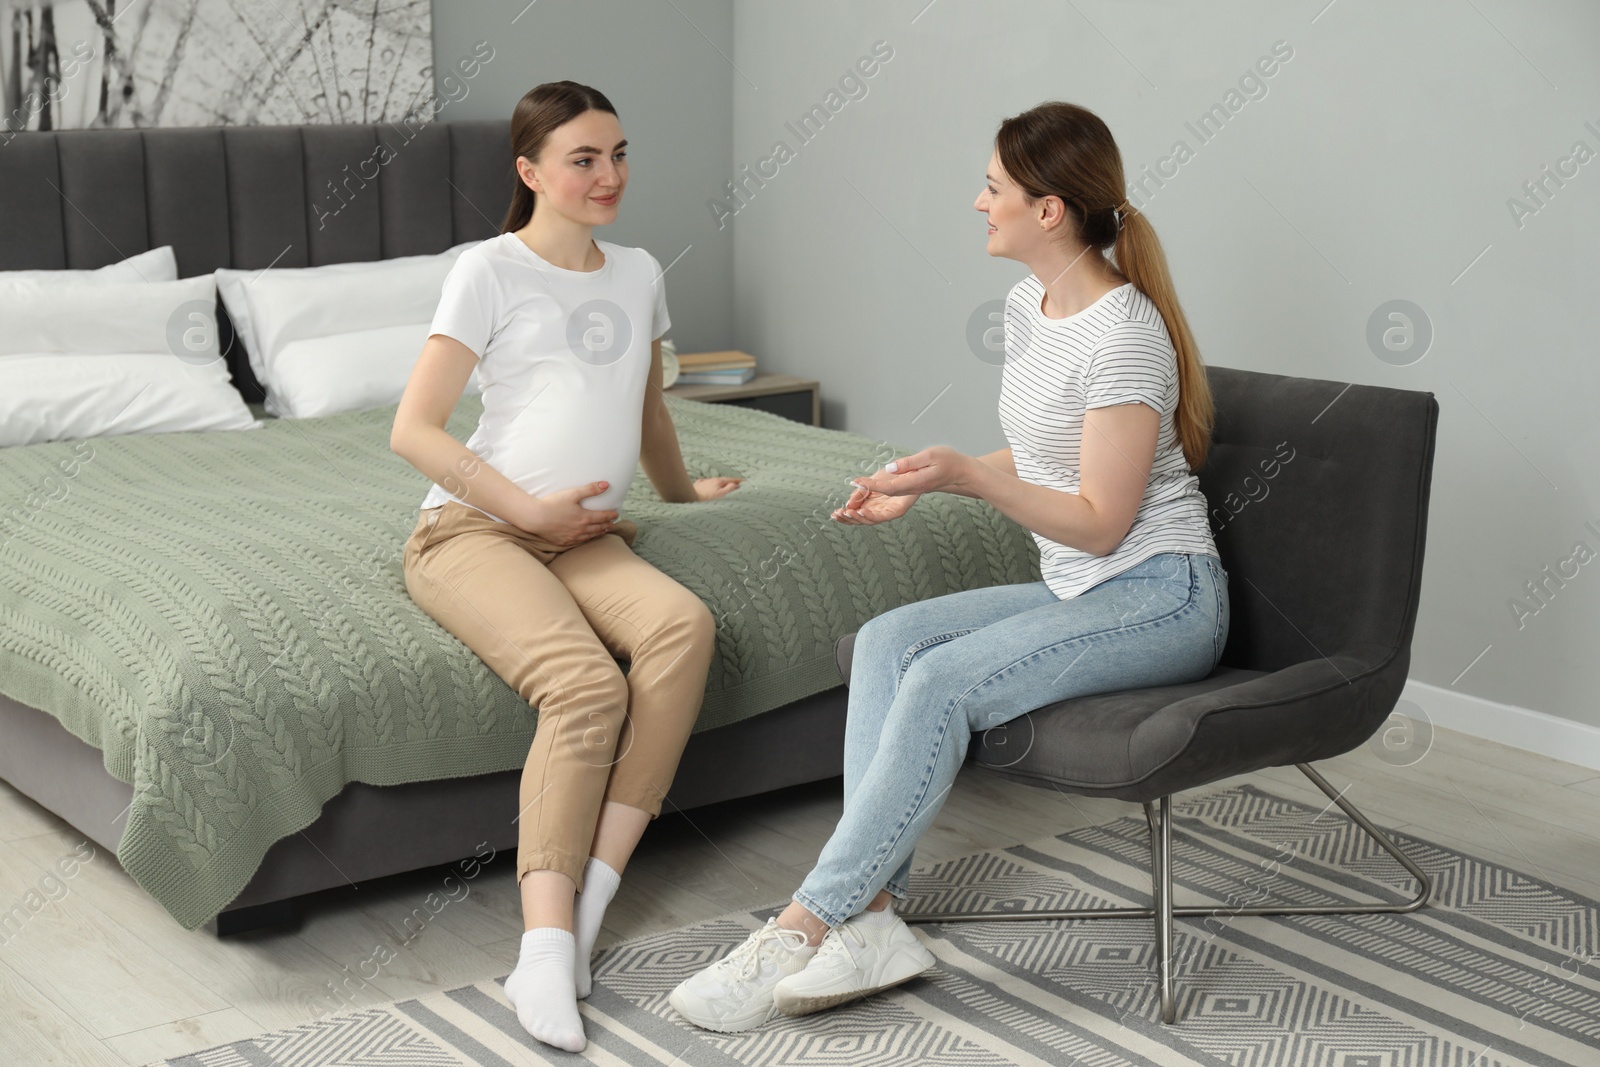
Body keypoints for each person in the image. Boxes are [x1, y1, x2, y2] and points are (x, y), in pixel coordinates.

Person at [669, 100, 1230, 1033]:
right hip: (1086, 587)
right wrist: (929, 478)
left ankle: (803, 923)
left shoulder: (1124, 333)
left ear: (1049, 211)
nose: (977, 203)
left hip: (1162, 594)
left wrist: (969, 476)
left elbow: (1100, 521)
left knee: (938, 680)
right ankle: (878, 920)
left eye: (993, 187)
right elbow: (1055, 458)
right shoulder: (1030, 304)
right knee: (890, 642)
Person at [391, 81, 740, 1053]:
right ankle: (543, 942)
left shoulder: (635, 273)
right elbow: (411, 430)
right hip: (473, 530)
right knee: (586, 683)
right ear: (530, 170)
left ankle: (586, 904)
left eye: (619, 154)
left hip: (586, 535)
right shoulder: (486, 271)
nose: (609, 175)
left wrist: (675, 493)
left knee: (682, 625)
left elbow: (648, 407)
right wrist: (526, 508)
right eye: (584, 158)